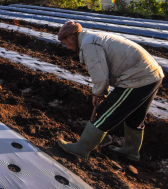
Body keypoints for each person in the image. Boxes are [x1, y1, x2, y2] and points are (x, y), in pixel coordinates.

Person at [57, 21, 164, 160]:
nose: (66, 47)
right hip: (153, 74)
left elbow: (100, 76)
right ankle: (131, 151)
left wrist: (98, 93)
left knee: (104, 113)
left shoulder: (89, 45)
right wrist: (100, 92)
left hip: (137, 77)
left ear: (71, 37)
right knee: (136, 115)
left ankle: (81, 149)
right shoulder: (92, 37)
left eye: (65, 43)